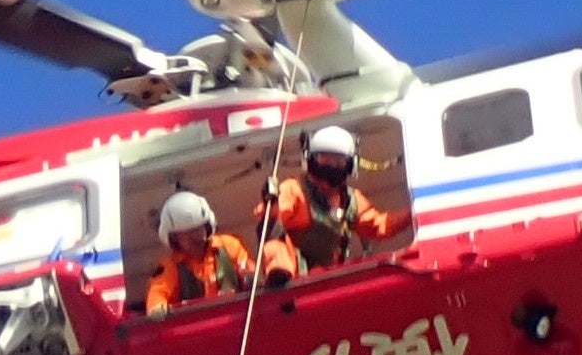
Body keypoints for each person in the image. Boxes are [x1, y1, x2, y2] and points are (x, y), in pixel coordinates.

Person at [257, 124, 397, 286]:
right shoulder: (294, 190)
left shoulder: (351, 200)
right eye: (324, 159)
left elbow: (378, 225)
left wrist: (414, 215)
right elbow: (271, 216)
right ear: (311, 160)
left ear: (350, 165)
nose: (331, 165)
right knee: (274, 236)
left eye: (338, 161)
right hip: (295, 275)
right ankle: (279, 277)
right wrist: (271, 201)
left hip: (329, 275)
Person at [143, 190, 255, 317]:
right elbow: (157, 293)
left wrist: (250, 276)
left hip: (234, 320)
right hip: (197, 330)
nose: (195, 236)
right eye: (187, 233)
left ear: (207, 226)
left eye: (198, 229)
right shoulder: (170, 266)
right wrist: (157, 308)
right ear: (174, 238)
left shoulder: (229, 246)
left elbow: (249, 271)